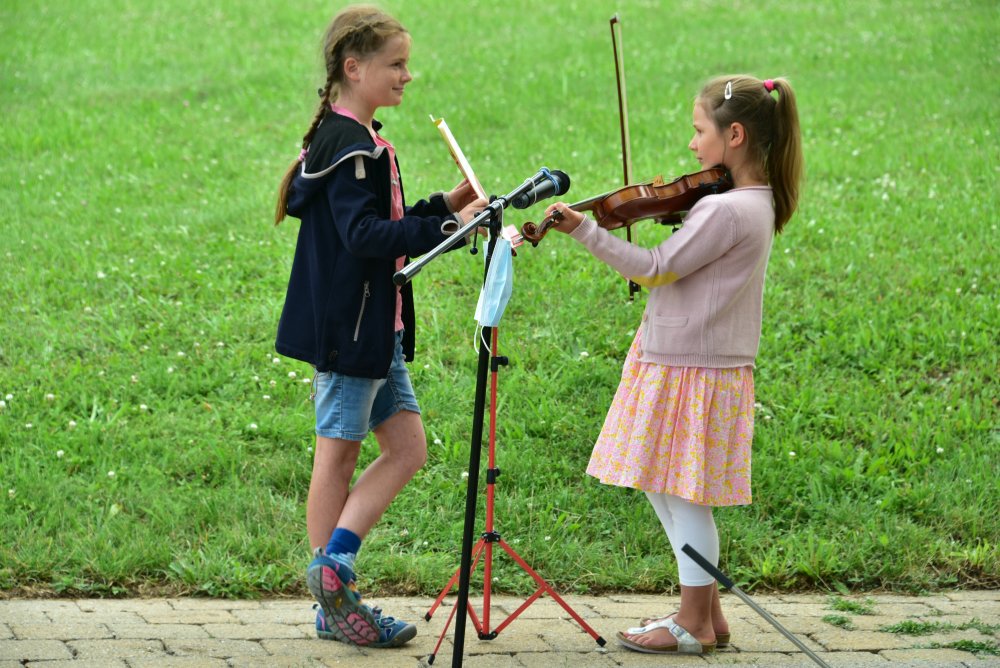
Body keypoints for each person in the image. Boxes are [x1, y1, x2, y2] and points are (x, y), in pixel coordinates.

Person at [544, 75, 802, 655]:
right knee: (667, 487)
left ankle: (691, 623)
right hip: (693, 359)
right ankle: (707, 613)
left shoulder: (726, 212)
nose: (691, 146)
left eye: (699, 130)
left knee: (683, 496)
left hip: (692, 365)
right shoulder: (746, 204)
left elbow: (655, 267)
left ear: (734, 135)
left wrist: (584, 229)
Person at [273, 4, 486, 649]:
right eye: (396, 65)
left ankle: (330, 570)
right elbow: (365, 237)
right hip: (350, 330)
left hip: (377, 329)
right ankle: (331, 590)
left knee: (408, 448)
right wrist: (443, 228)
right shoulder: (348, 146)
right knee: (335, 457)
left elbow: (382, 226)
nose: (407, 75)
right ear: (353, 67)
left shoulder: (363, 142)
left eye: (406, 64)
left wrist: (445, 207)